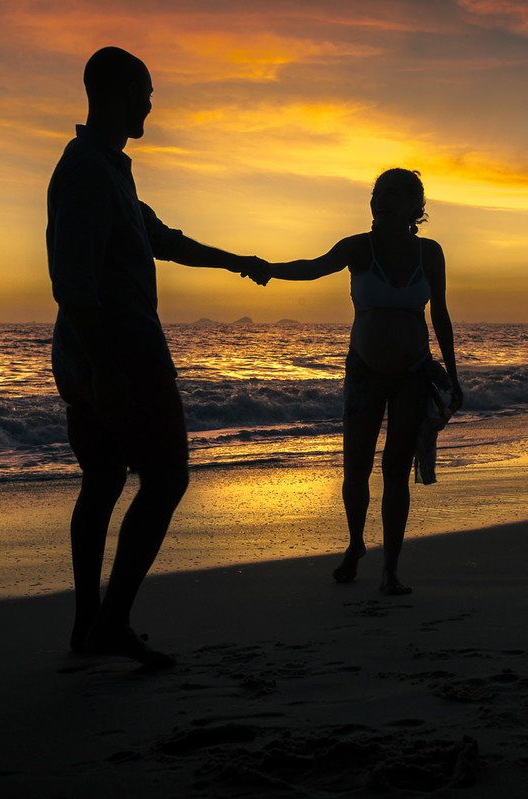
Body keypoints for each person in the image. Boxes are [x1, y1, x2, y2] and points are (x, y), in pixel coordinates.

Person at [47, 46, 265, 666]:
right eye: (145, 92)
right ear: (116, 94)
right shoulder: (90, 171)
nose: (150, 103)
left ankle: (90, 620)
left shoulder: (107, 167)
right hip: (122, 356)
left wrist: (235, 261)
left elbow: (160, 238)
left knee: (106, 478)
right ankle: (110, 623)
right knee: (166, 478)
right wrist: (107, 367)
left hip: (87, 356)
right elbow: (74, 282)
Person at [250, 169, 463, 595]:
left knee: (395, 471)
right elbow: (312, 268)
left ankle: (391, 570)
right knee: (356, 470)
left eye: (390, 195)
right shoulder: (358, 248)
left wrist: (453, 375)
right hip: (364, 373)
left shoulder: (431, 253)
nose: (379, 201)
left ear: (414, 206)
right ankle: (355, 544)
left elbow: (439, 313)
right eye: (376, 195)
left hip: (412, 373)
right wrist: (268, 269)